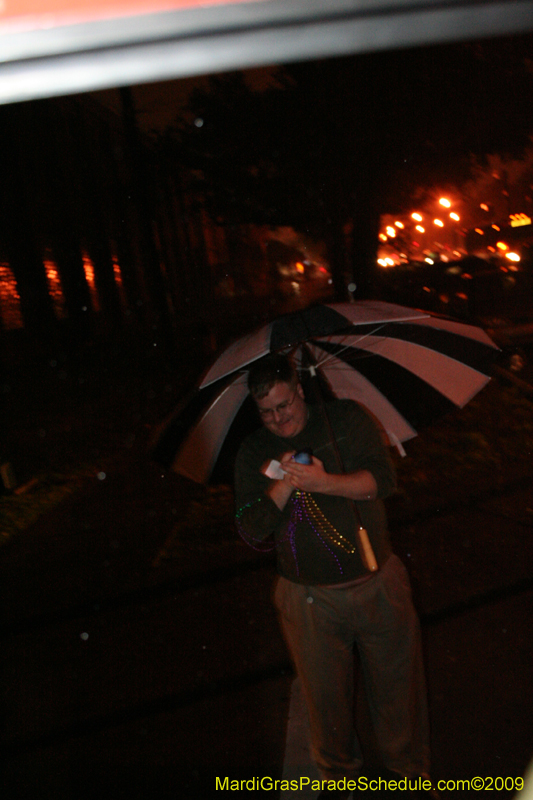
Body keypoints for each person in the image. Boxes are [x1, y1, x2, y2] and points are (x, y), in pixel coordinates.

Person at [234, 353, 433, 799]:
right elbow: (252, 528)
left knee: (399, 694)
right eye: (266, 412)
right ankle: (341, 780)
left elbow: (382, 481)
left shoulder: (346, 419)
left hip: (378, 584)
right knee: (327, 704)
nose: (278, 419)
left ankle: (411, 778)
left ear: (299, 388)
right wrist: (283, 484)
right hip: (307, 600)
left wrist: (324, 482)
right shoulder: (252, 451)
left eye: (284, 405)